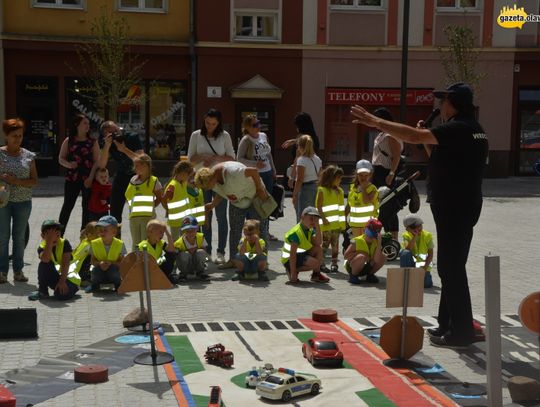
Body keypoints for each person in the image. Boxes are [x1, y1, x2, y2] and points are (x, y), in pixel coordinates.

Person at [351, 82, 489, 348]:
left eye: (443, 101)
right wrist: (425, 136)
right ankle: (448, 324)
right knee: (452, 267)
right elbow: (437, 155)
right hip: (461, 205)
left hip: (454, 207)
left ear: (454, 104)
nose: (439, 106)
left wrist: (375, 121)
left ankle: (462, 332)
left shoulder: (459, 127)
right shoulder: (474, 130)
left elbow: (413, 139)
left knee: (451, 268)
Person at [195, 161, 270, 269]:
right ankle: (233, 260)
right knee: (235, 230)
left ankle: (263, 262)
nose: (208, 189)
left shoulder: (232, 172)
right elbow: (221, 192)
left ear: (212, 178)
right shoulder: (213, 180)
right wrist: (212, 204)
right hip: (237, 201)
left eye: (207, 186)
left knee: (261, 229)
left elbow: (253, 171)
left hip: (255, 196)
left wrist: (259, 188)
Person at [187, 109, 235, 264]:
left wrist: (215, 158)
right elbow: (190, 160)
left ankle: (221, 252)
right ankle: (206, 251)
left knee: (221, 216)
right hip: (201, 181)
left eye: (213, 124)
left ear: (218, 123)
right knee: (205, 216)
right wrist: (202, 157)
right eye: (207, 123)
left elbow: (231, 158)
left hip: (220, 181)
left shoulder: (225, 136)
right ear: (204, 120)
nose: (210, 126)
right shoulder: (196, 135)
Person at [0, 118, 38, 283]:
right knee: (2, 237)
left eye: (20, 135)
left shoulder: (29, 156)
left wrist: (16, 182)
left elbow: (34, 181)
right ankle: (2, 272)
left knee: (19, 237)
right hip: (3, 202)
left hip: (23, 202)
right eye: (14, 135)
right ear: (6, 136)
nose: (17, 139)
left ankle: (18, 271)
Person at [97, 121, 144, 231]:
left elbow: (141, 160)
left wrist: (124, 149)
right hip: (121, 175)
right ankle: (115, 239)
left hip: (137, 175)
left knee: (138, 212)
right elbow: (102, 164)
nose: (115, 134)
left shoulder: (132, 137)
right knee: (114, 211)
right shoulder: (109, 143)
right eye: (110, 133)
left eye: (116, 131)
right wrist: (107, 145)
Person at [237, 114, 277, 240]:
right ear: (247, 127)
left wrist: (273, 168)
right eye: (255, 125)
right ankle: (252, 231)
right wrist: (255, 164)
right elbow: (239, 159)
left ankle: (265, 231)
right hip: (255, 175)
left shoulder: (264, 136)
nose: (258, 126)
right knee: (254, 203)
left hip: (267, 173)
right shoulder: (246, 140)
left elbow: (268, 154)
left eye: (258, 123)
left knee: (266, 202)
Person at [58, 114, 100, 232]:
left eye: (88, 123)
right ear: (77, 125)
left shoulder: (92, 142)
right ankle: (58, 236)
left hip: (88, 179)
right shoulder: (69, 140)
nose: (87, 126)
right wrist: (68, 164)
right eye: (84, 123)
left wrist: (91, 178)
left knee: (86, 208)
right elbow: (61, 158)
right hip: (72, 178)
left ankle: (84, 237)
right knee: (67, 206)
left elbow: (97, 162)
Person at [28, 220, 79, 301]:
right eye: (51, 233)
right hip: (56, 276)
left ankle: (73, 288)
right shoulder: (42, 246)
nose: (56, 234)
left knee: (61, 296)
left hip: (69, 278)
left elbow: (66, 264)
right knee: (43, 264)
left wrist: (62, 282)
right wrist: (49, 242)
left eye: (57, 232)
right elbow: (45, 259)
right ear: (43, 236)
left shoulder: (64, 243)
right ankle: (42, 291)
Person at [280, 206, 329, 284]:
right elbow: (292, 254)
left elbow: (318, 242)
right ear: (302, 217)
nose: (313, 221)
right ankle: (291, 270)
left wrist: (317, 225)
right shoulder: (296, 233)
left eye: (315, 219)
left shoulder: (309, 229)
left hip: (300, 255)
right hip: (289, 259)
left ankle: (316, 275)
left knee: (318, 248)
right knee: (315, 263)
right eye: (311, 218)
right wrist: (293, 274)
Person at [124, 154, 163, 251]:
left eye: (138, 166)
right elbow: (128, 195)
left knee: (145, 243)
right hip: (134, 217)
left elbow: (159, 197)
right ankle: (135, 264)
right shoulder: (133, 180)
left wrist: (151, 207)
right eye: (135, 166)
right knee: (136, 243)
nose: (135, 168)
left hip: (148, 218)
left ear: (146, 166)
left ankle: (146, 264)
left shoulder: (154, 181)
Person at [315, 165, 345, 273]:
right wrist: (323, 218)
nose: (340, 181)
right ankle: (321, 264)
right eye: (339, 178)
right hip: (326, 225)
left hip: (337, 225)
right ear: (331, 178)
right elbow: (318, 206)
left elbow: (341, 208)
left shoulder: (340, 191)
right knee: (325, 245)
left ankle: (334, 263)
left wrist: (343, 223)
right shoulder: (322, 190)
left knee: (335, 246)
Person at [86, 215, 126, 293]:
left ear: (114, 232)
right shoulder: (94, 243)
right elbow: (92, 261)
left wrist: (111, 264)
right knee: (95, 271)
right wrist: (99, 263)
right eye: (100, 230)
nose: (102, 232)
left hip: (113, 270)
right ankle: (94, 286)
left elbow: (122, 263)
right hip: (99, 269)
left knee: (113, 272)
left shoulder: (120, 244)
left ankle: (118, 285)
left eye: (105, 230)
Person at [282, 112, 321, 190]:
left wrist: (292, 178)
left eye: (297, 125)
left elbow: (298, 159)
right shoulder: (312, 137)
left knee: (299, 199)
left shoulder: (304, 141)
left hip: (301, 176)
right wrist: (293, 141)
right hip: (311, 178)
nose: (296, 128)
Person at [344, 218, 385, 284]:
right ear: (365, 230)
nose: (371, 238)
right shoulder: (357, 241)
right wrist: (360, 252)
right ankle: (353, 276)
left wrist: (379, 243)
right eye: (370, 234)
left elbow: (377, 260)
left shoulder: (376, 242)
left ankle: (369, 275)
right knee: (361, 256)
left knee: (383, 256)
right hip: (353, 266)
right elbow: (346, 256)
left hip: (367, 266)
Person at [292, 135, 322, 221]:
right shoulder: (317, 159)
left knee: (303, 215)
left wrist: (294, 195)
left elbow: (300, 179)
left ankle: (302, 234)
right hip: (315, 187)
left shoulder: (302, 160)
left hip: (305, 189)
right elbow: (320, 176)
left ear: (300, 146)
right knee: (313, 215)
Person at [346, 160, 379, 237]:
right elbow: (349, 204)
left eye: (366, 175)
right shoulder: (353, 188)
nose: (363, 177)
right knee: (358, 245)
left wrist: (363, 188)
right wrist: (344, 217)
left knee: (366, 246)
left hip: (369, 224)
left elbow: (366, 201)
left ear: (370, 175)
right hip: (355, 225)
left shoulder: (372, 189)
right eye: (361, 175)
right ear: (357, 174)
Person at [163, 160, 195, 240]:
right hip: (175, 221)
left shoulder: (183, 182)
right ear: (182, 173)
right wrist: (167, 209)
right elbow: (163, 199)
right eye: (188, 175)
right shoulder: (172, 186)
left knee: (184, 240)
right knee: (176, 241)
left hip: (184, 220)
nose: (188, 178)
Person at [400, 214, 434, 288]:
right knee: (404, 253)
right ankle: (407, 276)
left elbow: (430, 255)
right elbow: (408, 249)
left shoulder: (427, 236)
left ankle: (424, 277)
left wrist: (424, 269)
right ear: (407, 229)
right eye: (414, 227)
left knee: (426, 284)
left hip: (423, 267)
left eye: (419, 225)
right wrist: (415, 237)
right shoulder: (406, 236)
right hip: (411, 265)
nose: (418, 228)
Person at [138, 220, 177, 284]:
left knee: (171, 254)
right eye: (160, 232)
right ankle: (157, 278)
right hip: (149, 269)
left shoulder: (161, 243)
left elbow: (172, 250)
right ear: (150, 232)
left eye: (163, 232)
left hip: (158, 264)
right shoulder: (142, 245)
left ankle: (164, 276)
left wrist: (168, 235)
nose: (162, 235)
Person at [174, 215, 209, 281]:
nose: (190, 233)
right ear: (183, 231)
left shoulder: (201, 237)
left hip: (197, 264)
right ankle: (183, 274)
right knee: (184, 254)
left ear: (197, 228)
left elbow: (205, 252)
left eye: (192, 229)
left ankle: (200, 272)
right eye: (187, 231)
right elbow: (174, 258)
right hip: (185, 265)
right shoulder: (178, 243)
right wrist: (173, 272)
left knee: (201, 252)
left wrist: (196, 252)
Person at [72, 221, 99, 286]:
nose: (99, 236)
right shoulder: (89, 245)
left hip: (75, 265)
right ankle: (83, 279)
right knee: (89, 259)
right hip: (78, 267)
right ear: (88, 234)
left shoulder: (86, 240)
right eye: (97, 234)